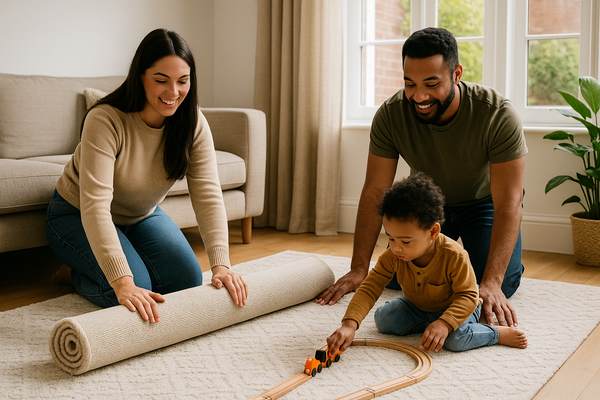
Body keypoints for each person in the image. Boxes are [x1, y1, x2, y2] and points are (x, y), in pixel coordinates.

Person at [317, 27, 527, 328]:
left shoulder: (497, 114)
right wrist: (358, 268)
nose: (419, 96)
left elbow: (509, 201)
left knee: (494, 288)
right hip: (427, 207)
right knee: (392, 278)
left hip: (484, 204)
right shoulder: (391, 115)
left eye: (431, 83)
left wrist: (492, 280)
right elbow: (376, 190)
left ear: (456, 75)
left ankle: (503, 267)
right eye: (409, 84)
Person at [45, 28, 248, 323]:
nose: (173, 92)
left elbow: (207, 194)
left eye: (183, 81)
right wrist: (122, 282)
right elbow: (95, 207)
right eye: (161, 80)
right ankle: (77, 272)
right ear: (141, 76)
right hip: (75, 214)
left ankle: (107, 262)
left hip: (139, 216)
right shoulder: (105, 119)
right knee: (133, 289)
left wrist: (221, 265)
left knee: (187, 281)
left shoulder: (193, 123)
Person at [326, 173, 528, 355]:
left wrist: (446, 322)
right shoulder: (393, 255)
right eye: (391, 238)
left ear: (433, 232)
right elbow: (370, 288)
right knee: (384, 320)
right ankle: (432, 323)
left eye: (405, 241)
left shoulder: (454, 255)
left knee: (455, 340)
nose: (396, 248)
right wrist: (349, 325)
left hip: (460, 303)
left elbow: (467, 296)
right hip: (419, 305)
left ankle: (496, 334)